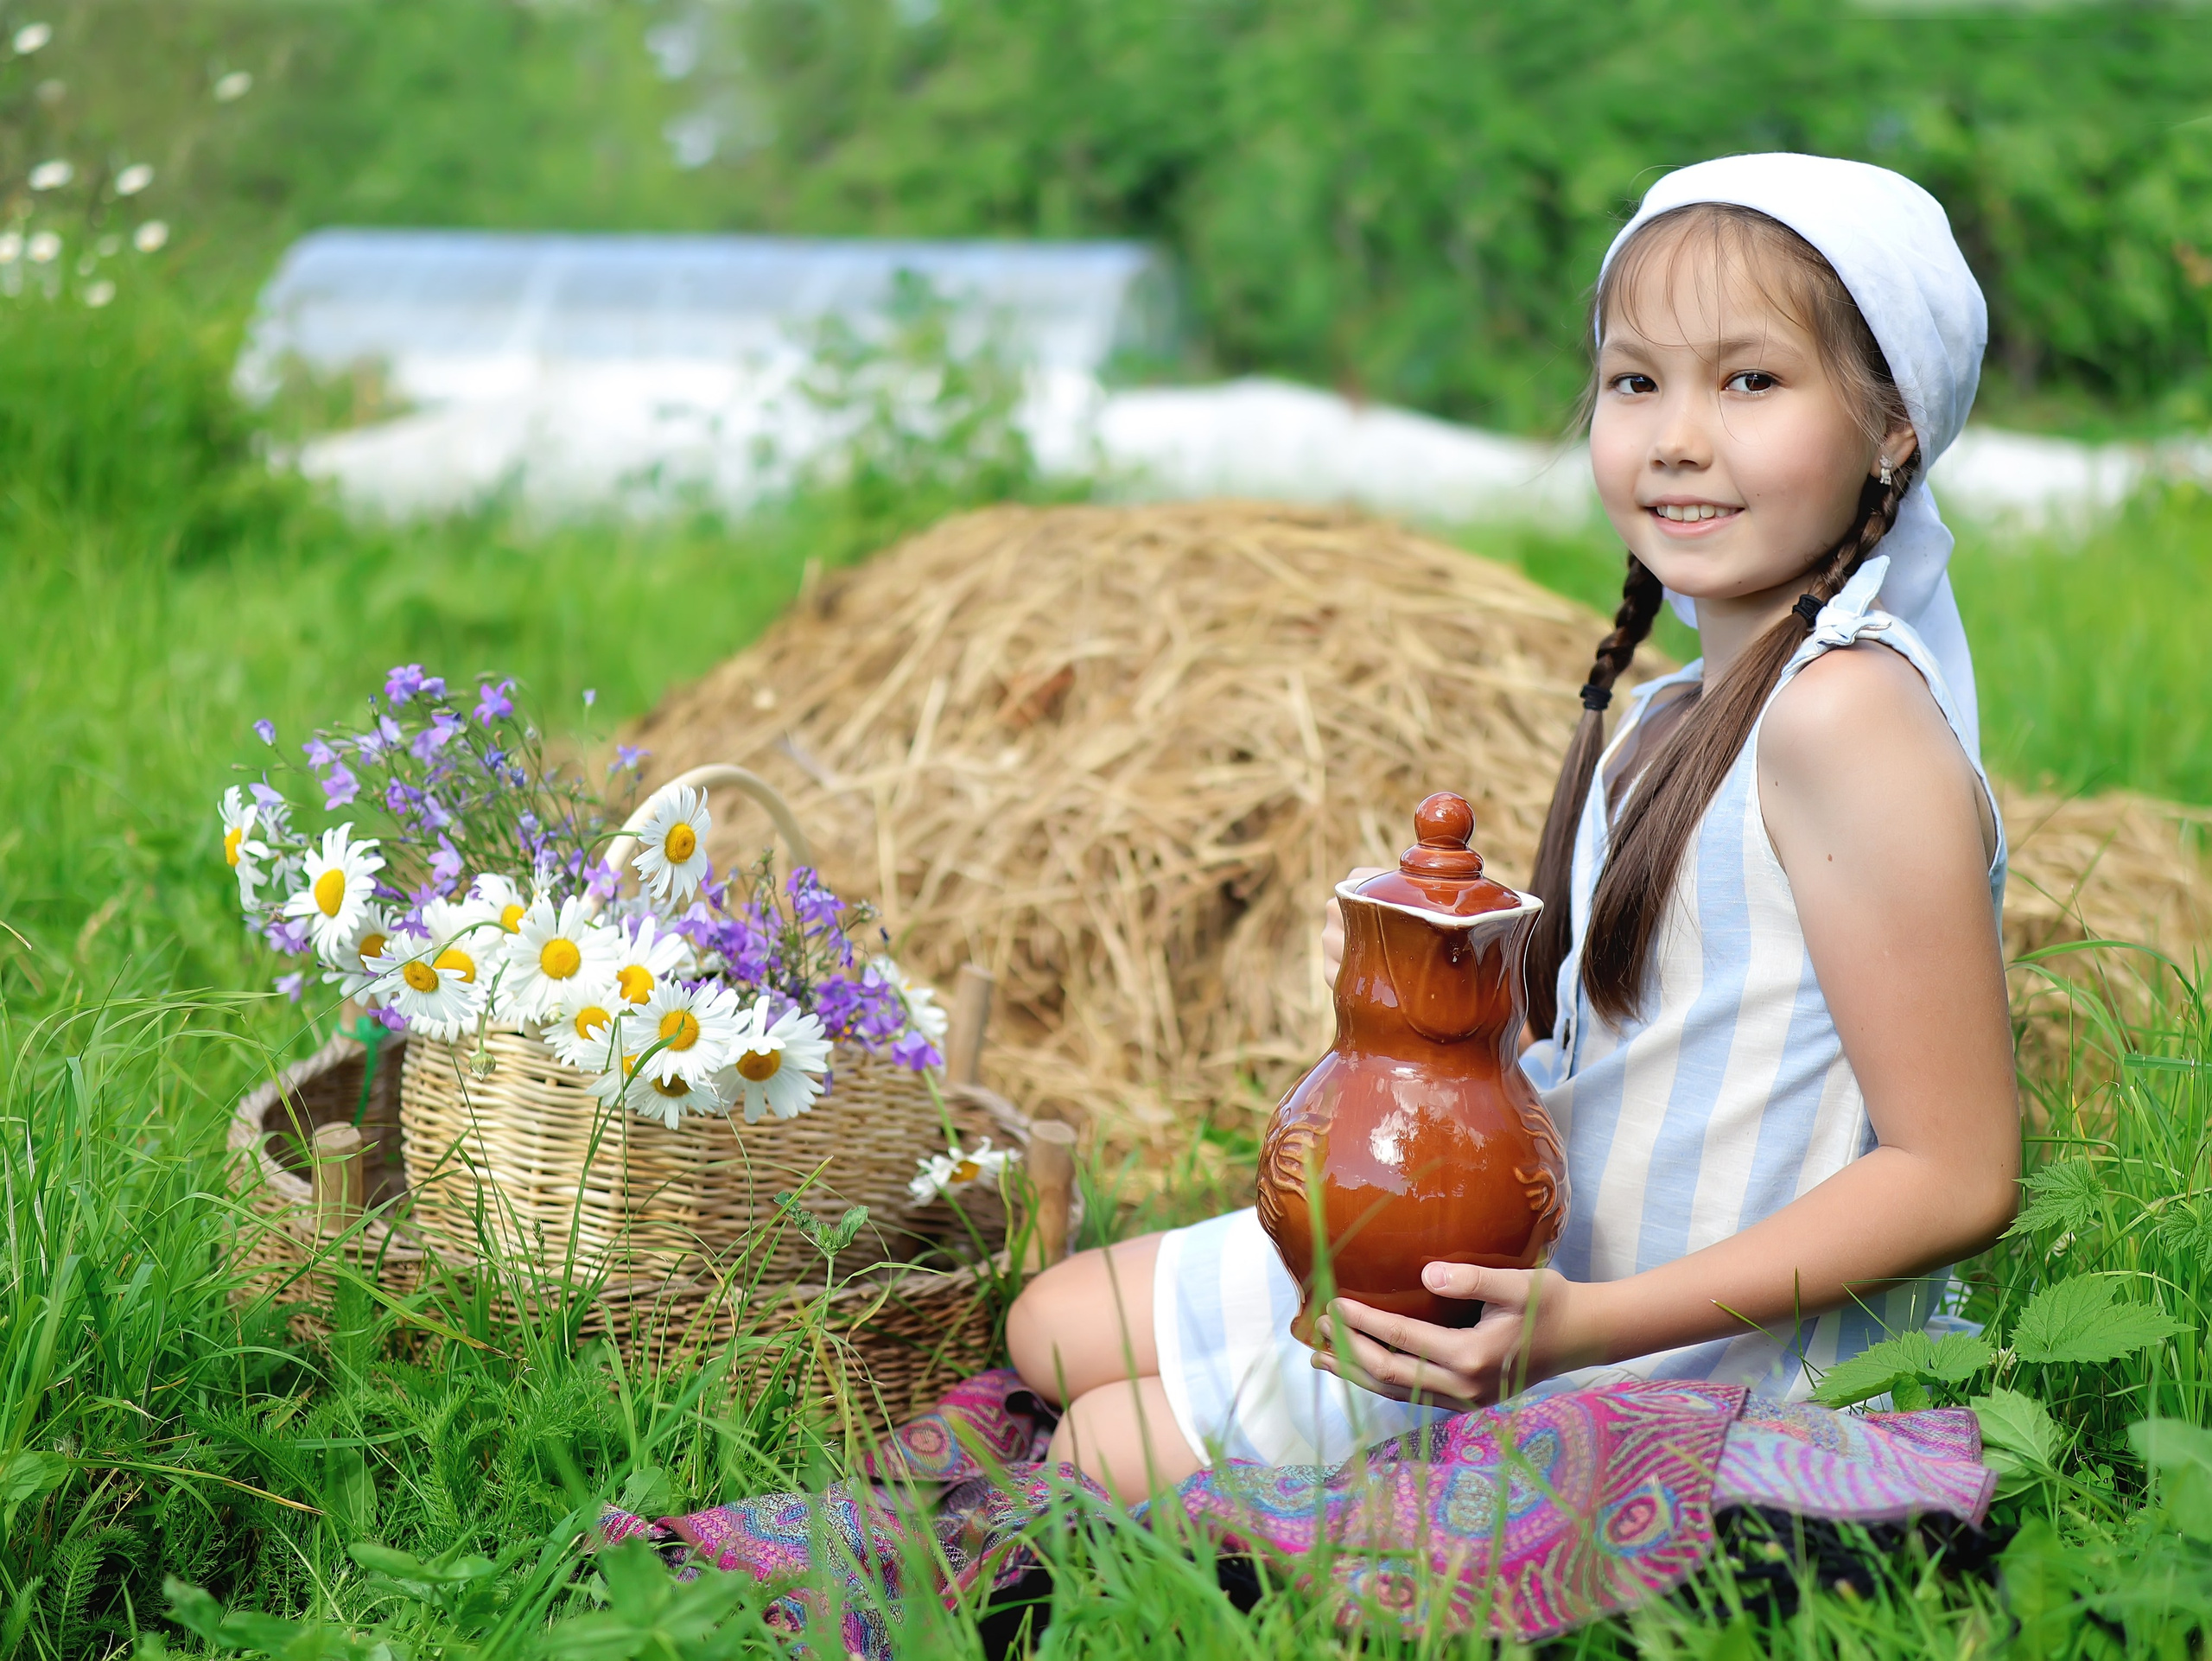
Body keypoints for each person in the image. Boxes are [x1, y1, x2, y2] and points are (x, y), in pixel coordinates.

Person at [1004, 153, 2020, 1504]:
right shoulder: (1669, 714)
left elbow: (1957, 1171)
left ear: (1893, 426)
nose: (1676, 435)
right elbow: (1619, 1050)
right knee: (1053, 1320)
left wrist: (1580, 1331)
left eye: (1751, 381)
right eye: (1635, 379)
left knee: (1099, 1452)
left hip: (1687, 1339)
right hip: (1538, 1262)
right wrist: (1424, 1014)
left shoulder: (1847, 718)